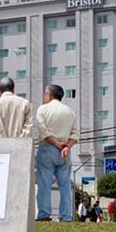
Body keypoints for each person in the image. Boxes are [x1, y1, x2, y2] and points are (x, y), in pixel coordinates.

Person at [35, 84, 78, 222]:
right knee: (65, 185)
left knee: (44, 184)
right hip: (65, 151)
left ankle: (44, 214)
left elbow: (43, 130)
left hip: (48, 148)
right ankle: (66, 216)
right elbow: (76, 133)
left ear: (49, 95)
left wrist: (56, 143)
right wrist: (66, 147)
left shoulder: (42, 109)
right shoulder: (70, 112)